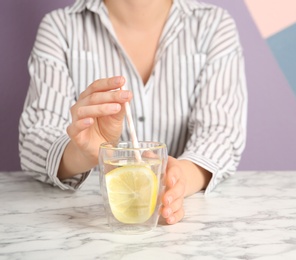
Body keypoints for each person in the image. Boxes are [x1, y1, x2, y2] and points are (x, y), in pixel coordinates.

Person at [19, 0, 247, 225]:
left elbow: (221, 131)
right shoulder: (60, 28)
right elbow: (35, 139)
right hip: (91, 225)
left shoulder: (214, 24)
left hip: (180, 225)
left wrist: (179, 178)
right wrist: (82, 154)